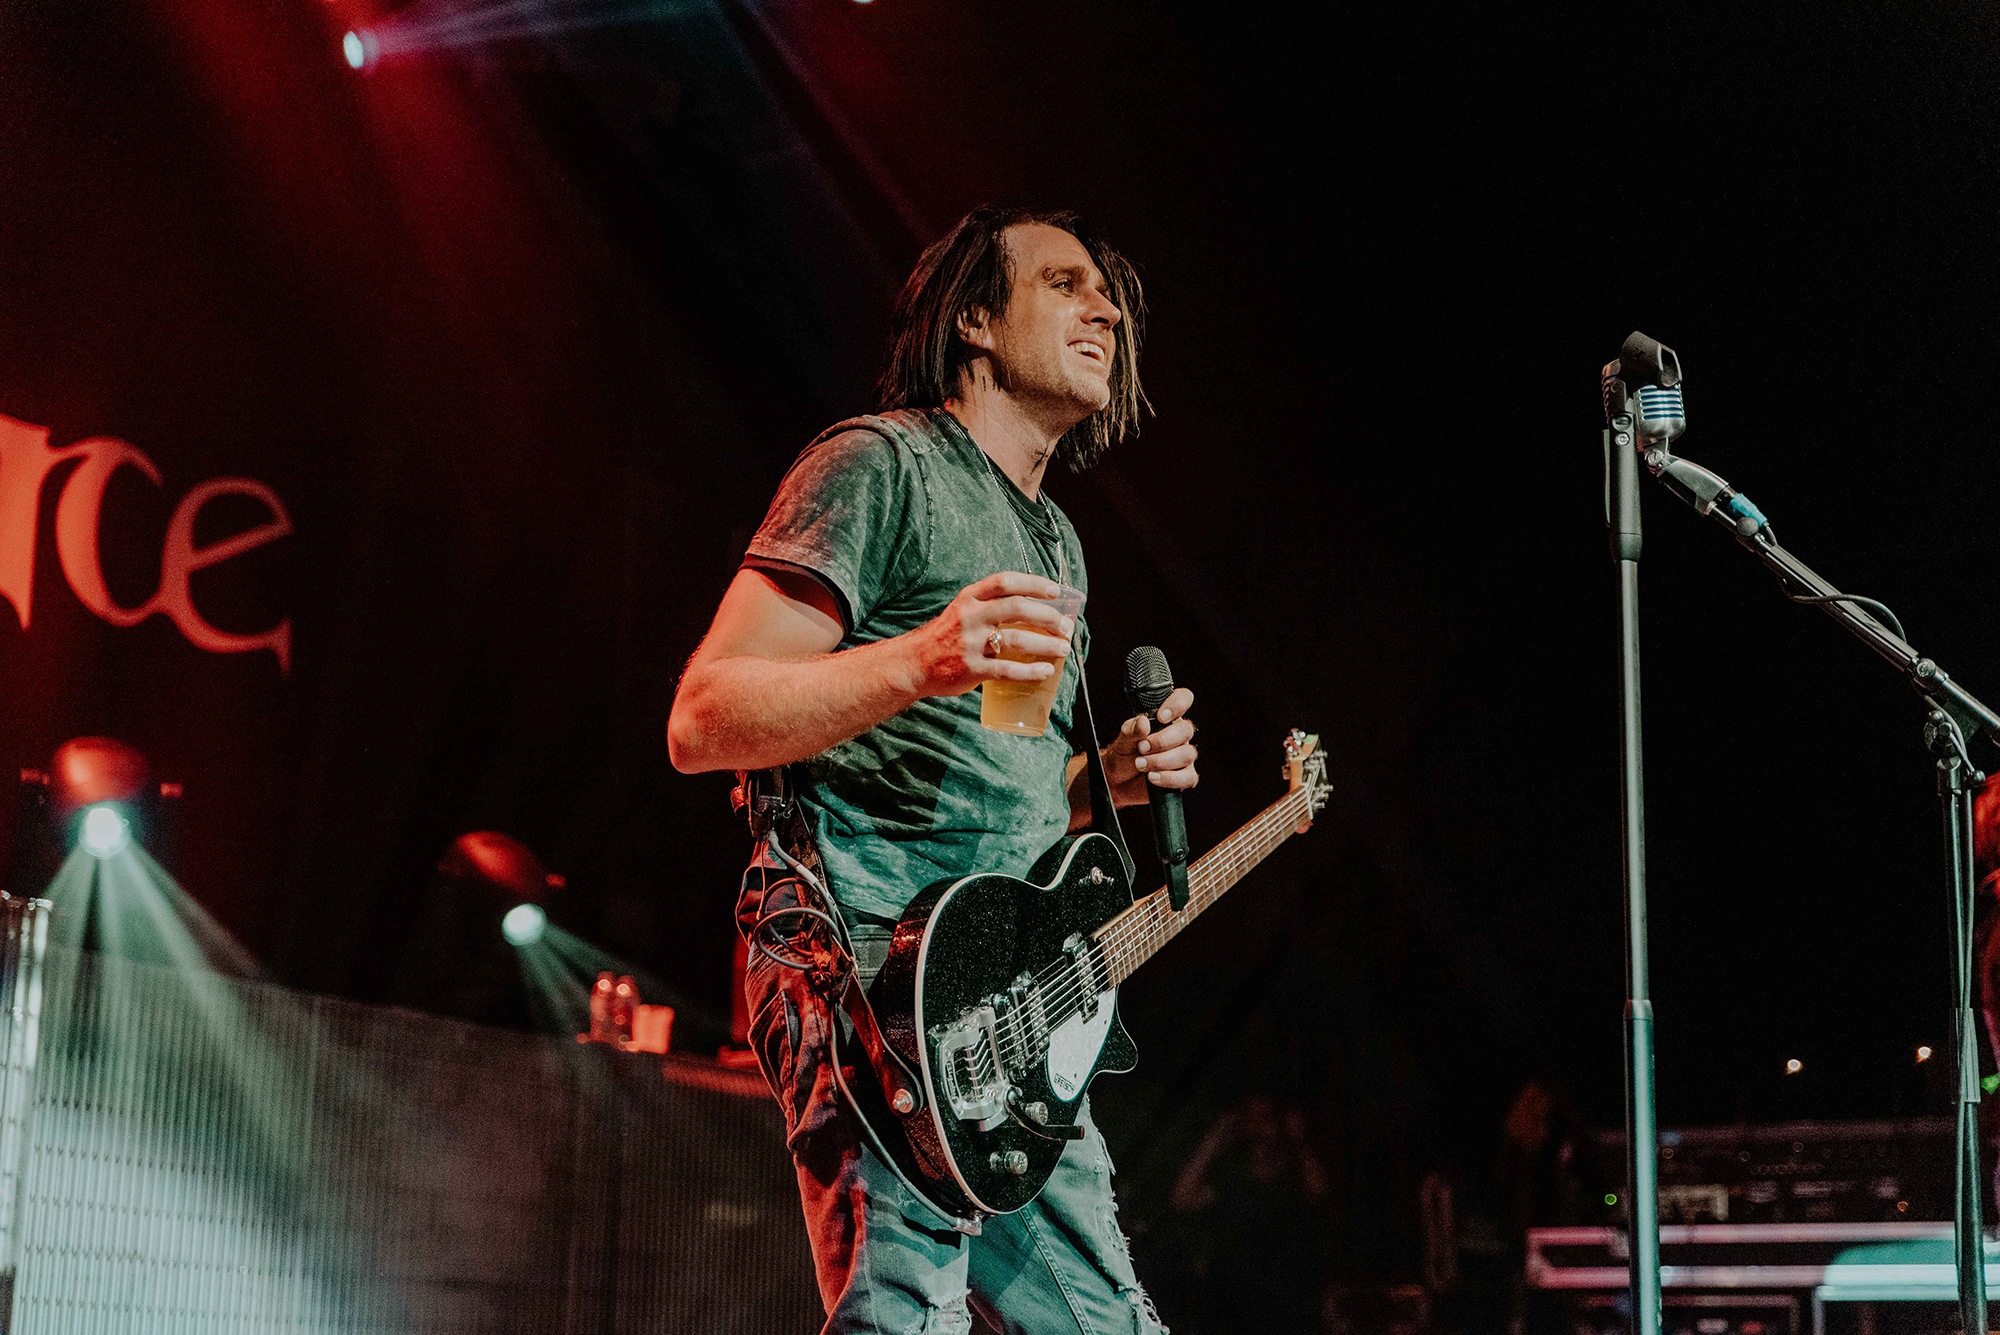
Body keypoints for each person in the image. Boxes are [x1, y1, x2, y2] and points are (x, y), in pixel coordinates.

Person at [668, 206, 1198, 1334]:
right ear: (975, 321)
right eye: (1063, 283)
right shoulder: (879, 464)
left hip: (1004, 1005)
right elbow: (703, 717)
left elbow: (988, 780)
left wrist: (1099, 778)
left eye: (1107, 295)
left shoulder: (1053, 541)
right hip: (867, 972)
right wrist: (923, 656)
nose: (1104, 310)